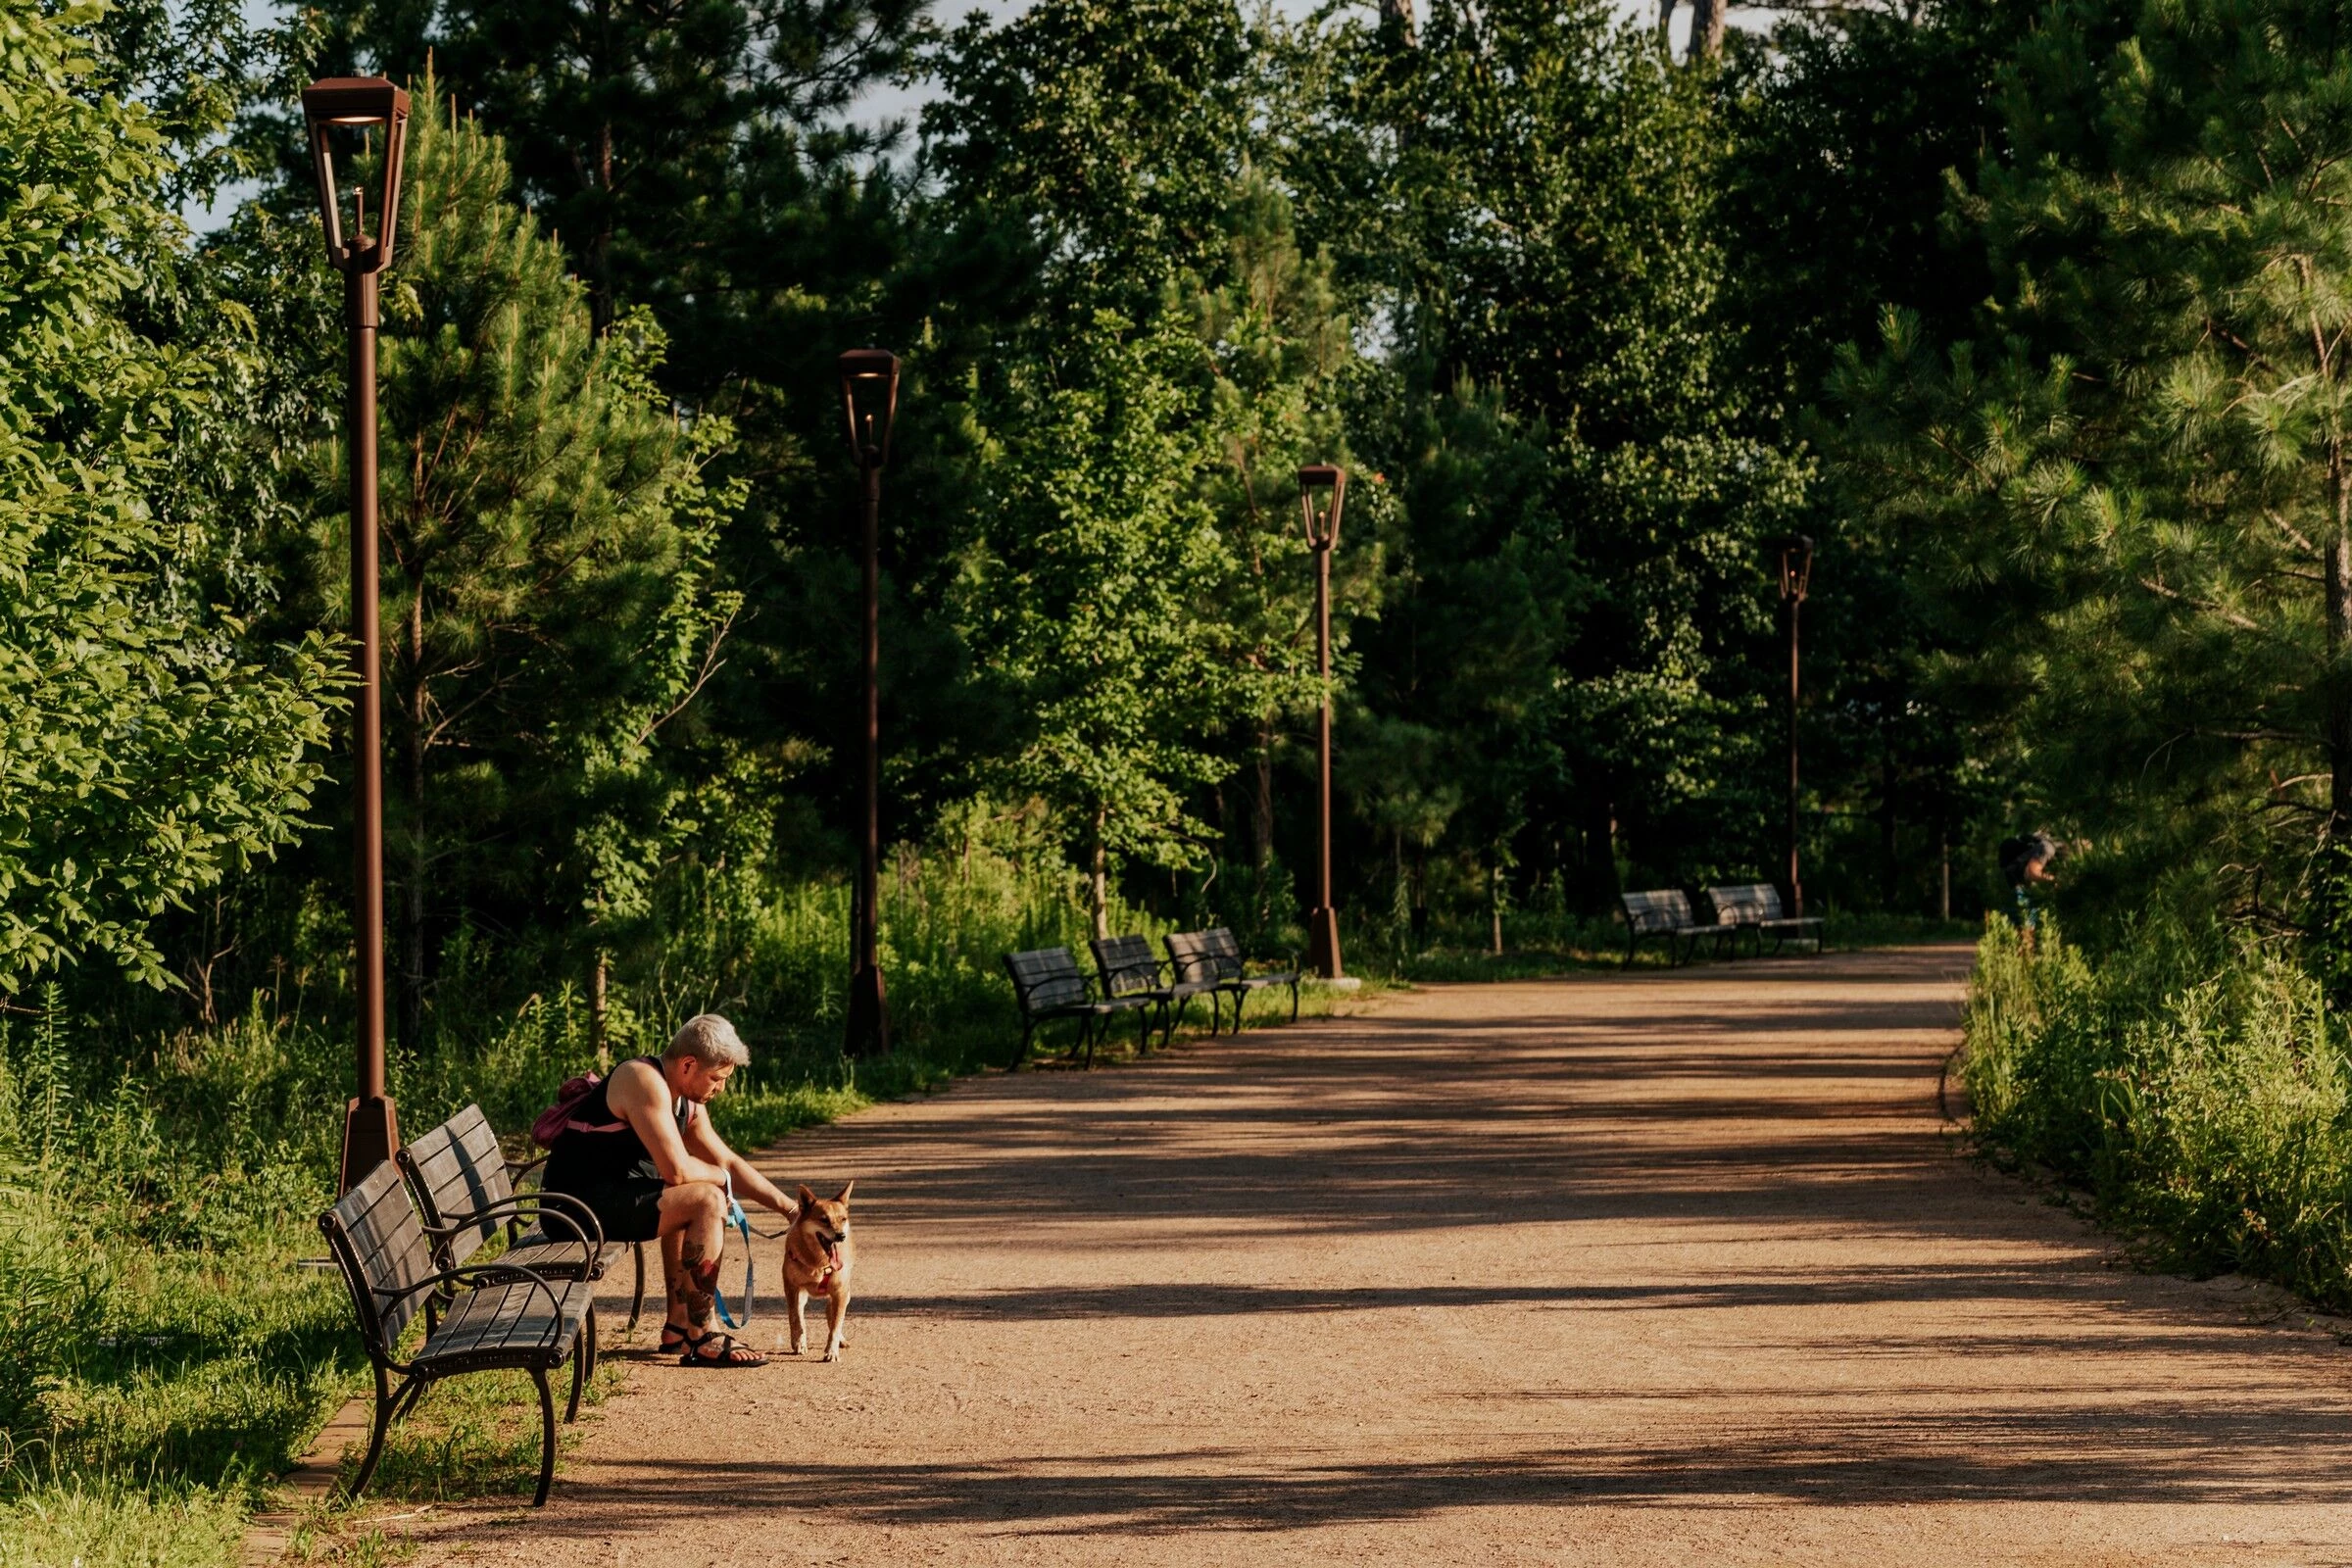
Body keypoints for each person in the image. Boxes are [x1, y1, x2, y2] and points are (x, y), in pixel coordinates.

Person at [542, 1014, 798, 1367]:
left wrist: (789, 1208)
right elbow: (677, 1171)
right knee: (704, 1199)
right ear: (688, 1064)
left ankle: (679, 1327)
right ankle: (701, 1335)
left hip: (608, 1201)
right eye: (716, 1079)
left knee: (698, 1192)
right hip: (573, 1209)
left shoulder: (687, 1101)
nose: (720, 1088)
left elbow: (727, 1162)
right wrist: (718, 1181)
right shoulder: (642, 1080)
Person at [1999, 830, 2058, 952]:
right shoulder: (2047, 848)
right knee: (2027, 915)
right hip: (2017, 875)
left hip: (2013, 874)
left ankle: (2017, 948)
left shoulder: (2039, 845)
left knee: (2024, 912)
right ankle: (2024, 951)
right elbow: (2033, 872)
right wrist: (2055, 880)